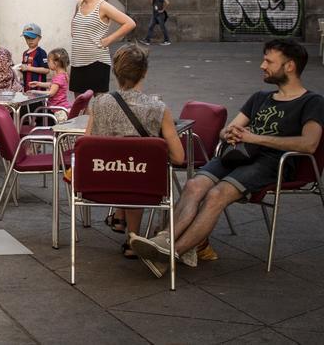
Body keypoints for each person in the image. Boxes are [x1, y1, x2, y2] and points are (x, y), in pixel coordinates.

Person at [129, 39, 323, 276]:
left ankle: (171, 254)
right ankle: (165, 240)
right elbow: (229, 128)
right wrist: (229, 133)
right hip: (238, 154)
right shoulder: (260, 97)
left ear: (290, 66)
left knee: (216, 194)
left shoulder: (311, 102)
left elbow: (309, 143)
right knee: (193, 185)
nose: (262, 65)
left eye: (269, 61)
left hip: (273, 162)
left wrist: (256, 139)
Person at [85, 45, 186, 258]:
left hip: (103, 181)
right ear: (144, 72)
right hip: (142, 183)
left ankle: (120, 218)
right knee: (136, 166)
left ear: (116, 72)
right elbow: (179, 157)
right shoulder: (158, 108)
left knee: (123, 163)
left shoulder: (98, 103)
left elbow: (88, 143)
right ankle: (132, 238)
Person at [69, 0, 135, 95]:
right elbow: (75, 27)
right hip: (77, 61)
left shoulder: (103, 6)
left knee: (99, 103)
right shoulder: (79, 5)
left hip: (97, 62)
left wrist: (109, 40)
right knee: (80, 105)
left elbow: (130, 23)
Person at [18, 23, 49, 88]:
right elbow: (25, 68)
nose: (30, 40)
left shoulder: (41, 52)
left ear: (39, 38)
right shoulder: (25, 53)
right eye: (27, 38)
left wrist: (28, 68)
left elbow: (46, 70)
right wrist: (20, 68)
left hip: (39, 90)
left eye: (33, 38)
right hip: (27, 87)